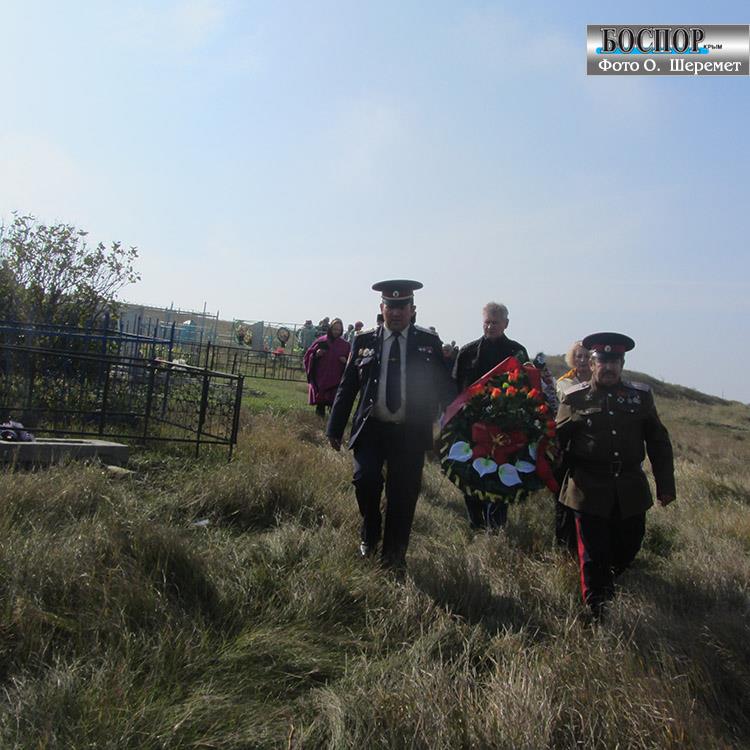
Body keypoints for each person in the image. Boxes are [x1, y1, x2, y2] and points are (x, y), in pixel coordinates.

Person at [327, 280, 455, 571]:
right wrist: (334, 428)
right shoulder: (364, 341)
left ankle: (394, 555)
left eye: (402, 307)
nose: (396, 312)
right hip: (371, 429)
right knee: (365, 480)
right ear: (381, 308)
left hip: (410, 432)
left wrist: (455, 421)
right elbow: (348, 387)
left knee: (403, 494)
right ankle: (370, 531)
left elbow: (444, 386)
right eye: (390, 306)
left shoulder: (427, 342)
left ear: (412, 309)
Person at [556, 332, 675, 619]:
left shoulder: (640, 397)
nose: (608, 367)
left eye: (614, 362)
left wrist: (665, 485)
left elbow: (658, 442)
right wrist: (555, 485)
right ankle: (597, 610)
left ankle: (608, 581)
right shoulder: (575, 397)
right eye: (602, 361)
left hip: (630, 489)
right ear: (592, 364)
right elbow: (556, 442)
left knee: (628, 545)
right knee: (593, 554)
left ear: (622, 364)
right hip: (587, 489)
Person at [452, 302, 529, 531]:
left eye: (495, 323)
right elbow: (454, 389)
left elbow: (527, 387)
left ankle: (495, 526)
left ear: (506, 324)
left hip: (505, 428)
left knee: (500, 476)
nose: (490, 326)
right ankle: (476, 523)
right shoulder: (467, 352)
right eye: (487, 322)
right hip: (471, 426)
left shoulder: (517, 352)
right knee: (471, 475)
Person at [303, 318, 350, 418]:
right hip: (321, 378)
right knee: (321, 403)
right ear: (330, 328)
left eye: (338, 330)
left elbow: (351, 361)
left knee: (335, 404)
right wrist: (316, 354)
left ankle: (332, 423)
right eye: (334, 329)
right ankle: (319, 422)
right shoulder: (321, 341)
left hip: (336, 379)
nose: (336, 332)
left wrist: (346, 361)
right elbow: (308, 356)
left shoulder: (345, 345)